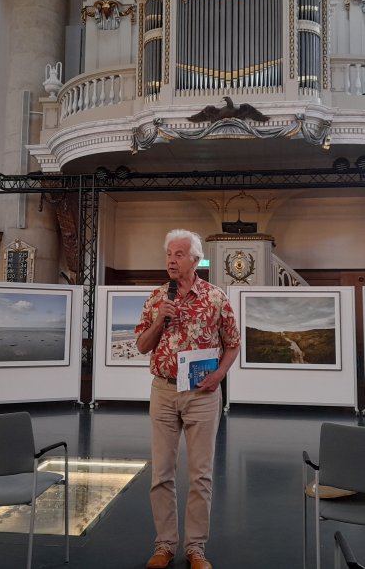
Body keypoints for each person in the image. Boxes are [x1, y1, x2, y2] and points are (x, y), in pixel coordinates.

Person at [135, 229, 241, 569]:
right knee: (161, 474)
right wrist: (159, 320)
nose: (171, 260)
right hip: (164, 391)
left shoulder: (215, 298)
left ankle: (196, 549)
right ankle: (164, 545)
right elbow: (142, 345)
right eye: (169, 253)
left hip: (202, 395)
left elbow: (233, 343)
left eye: (179, 254)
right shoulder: (156, 298)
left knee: (201, 476)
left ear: (195, 260)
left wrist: (219, 374)